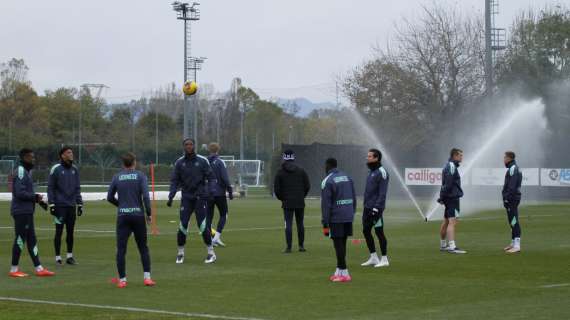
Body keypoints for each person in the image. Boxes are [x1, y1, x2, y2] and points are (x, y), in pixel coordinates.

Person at [107, 152, 155, 288]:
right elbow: (145, 196)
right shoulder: (140, 176)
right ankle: (147, 278)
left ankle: (122, 280)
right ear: (134, 162)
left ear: (123, 164)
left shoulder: (117, 177)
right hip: (138, 216)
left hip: (123, 216)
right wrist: (149, 213)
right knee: (143, 247)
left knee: (121, 249)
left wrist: (121, 205)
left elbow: (109, 197)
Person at [167, 138, 216, 264]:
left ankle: (211, 253)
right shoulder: (179, 162)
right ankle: (180, 253)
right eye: (186, 145)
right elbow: (174, 180)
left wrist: (211, 192)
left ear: (194, 146)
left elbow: (211, 177)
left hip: (200, 197)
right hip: (186, 198)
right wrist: (171, 196)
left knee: (203, 226)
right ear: (183, 147)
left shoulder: (202, 161)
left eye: (191, 144)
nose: (188, 146)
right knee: (182, 225)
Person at [8, 148, 55, 278]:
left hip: (27, 211)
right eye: (31, 157)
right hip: (21, 211)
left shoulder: (27, 171)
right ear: (24, 158)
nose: (33, 159)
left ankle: (39, 268)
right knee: (20, 239)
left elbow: (24, 192)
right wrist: (35, 197)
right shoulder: (21, 171)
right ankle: (14, 269)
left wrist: (36, 199)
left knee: (32, 239)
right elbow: (19, 193)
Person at [321, 158, 356, 282]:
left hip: (336, 217)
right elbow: (354, 197)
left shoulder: (328, 181)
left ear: (327, 166)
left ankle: (345, 273)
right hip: (348, 214)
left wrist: (325, 223)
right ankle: (339, 270)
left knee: (338, 244)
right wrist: (352, 212)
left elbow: (326, 204)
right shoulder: (347, 177)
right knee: (343, 243)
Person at [47, 146, 83, 265]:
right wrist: (51, 203)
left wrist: (80, 203)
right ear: (62, 155)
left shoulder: (75, 170)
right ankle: (57, 257)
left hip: (71, 206)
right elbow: (50, 187)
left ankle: (69, 256)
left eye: (71, 152)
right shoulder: (55, 169)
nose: (71, 154)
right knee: (59, 231)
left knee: (70, 232)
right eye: (68, 152)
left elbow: (77, 188)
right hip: (60, 206)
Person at [273, 149, 310, 253]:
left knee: (288, 224)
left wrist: (283, 198)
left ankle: (288, 247)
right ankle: (301, 246)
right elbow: (307, 186)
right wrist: (302, 196)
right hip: (299, 201)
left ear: (284, 158)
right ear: (293, 157)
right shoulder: (301, 170)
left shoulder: (280, 172)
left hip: (287, 202)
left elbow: (276, 189)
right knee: (300, 224)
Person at [361, 149, 390, 268]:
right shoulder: (371, 171)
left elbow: (382, 193)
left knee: (379, 232)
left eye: (369, 156)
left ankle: (384, 259)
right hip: (367, 208)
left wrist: (377, 208)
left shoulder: (382, 172)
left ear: (376, 158)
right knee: (366, 231)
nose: (367, 158)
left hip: (375, 209)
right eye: (367, 156)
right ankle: (373, 257)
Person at [437, 148, 466, 254]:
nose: (462, 157)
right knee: (452, 222)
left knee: (446, 221)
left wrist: (442, 197)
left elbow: (445, 184)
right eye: (460, 155)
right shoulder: (452, 167)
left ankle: (443, 245)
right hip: (452, 198)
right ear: (454, 156)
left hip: (449, 197)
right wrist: (442, 197)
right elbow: (448, 184)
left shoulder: (449, 166)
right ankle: (452, 246)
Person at [206, 143, 233, 247]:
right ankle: (216, 238)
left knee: (208, 217)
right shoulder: (220, 162)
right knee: (224, 215)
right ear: (218, 150)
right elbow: (225, 178)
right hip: (219, 193)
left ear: (209, 150)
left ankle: (209, 239)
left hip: (208, 193)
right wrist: (230, 191)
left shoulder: (205, 162)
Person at [502, 151, 523, 254]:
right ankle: (513, 243)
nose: (503, 159)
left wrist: (507, 198)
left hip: (512, 199)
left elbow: (512, 186)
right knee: (511, 221)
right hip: (512, 198)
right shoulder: (512, 168)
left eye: (505, 157)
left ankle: (517, 245)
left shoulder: (513, 168)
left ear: (509, 158)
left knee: (514, 221)